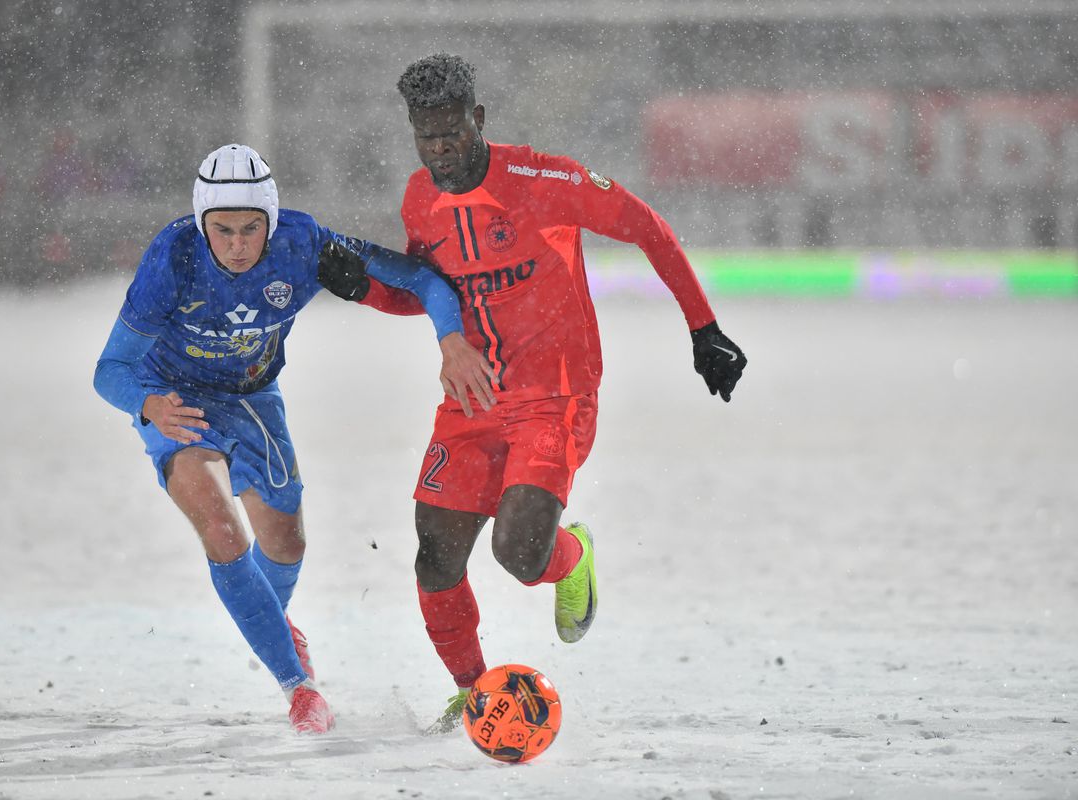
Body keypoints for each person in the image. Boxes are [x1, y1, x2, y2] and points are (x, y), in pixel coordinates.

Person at [330, 54, 748, 732]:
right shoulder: (419, 197)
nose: (440, 150)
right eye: (426, 137)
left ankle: (572, 557)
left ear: (479, 118)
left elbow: (647, 226)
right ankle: (476, 694)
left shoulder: (543, 179)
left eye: (452, 132)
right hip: (473, 397)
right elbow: (430, 294)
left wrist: (704, 328)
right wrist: (364, 290)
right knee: (435, 559)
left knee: (520, 555)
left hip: (555, 394)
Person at [93, 143, 494, 734]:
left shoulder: (303, 243)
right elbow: (109, 370)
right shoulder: (173, 257)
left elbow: (421, 280)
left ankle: (272, 626)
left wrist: (450, 338)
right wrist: (147, 405)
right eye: (222, 230)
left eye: (250, 229)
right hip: (174, 399)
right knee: (222, 529)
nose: (236, 244)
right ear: (202, 224)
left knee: (285, 544)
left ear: (272, 221)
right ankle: (298, 688)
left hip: (253, 396)